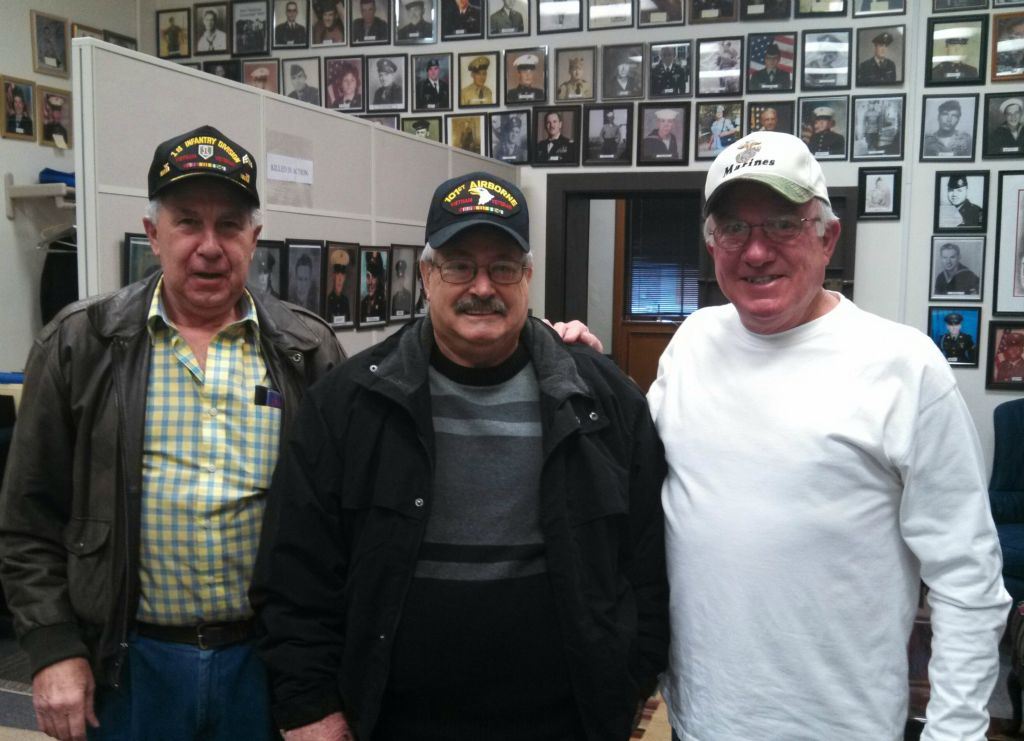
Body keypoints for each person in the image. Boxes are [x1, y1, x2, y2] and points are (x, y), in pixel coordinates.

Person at [250, 170, 669, 741]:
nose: (482, 287)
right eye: (459, 265)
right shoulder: (348, 406)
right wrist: (310, 709)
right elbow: (295, 575)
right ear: (426, 275)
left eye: (501, 267)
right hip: (392, 722)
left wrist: (626, 685)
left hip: (565, 723)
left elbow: (647, 566)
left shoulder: (605, 402)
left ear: (527, 276)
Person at [628, 130, 1005, 739]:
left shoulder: (904, 366)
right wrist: (573, 367)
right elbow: (634, 491)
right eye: (733, 229)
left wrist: (954, 732)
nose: (755, 252)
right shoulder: (692, 344)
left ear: (828, 236)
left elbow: (968, 580)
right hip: (699, 722)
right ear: (711, 243)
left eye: (782, 224)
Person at [0, 124, 344, 741]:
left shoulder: (306, 349)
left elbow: (341, 523)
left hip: (263, 664)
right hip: (128, 666)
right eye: (188, 222)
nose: (209, 246)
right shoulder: (82, 343)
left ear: (255, 238)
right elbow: (28, 517)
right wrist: (52, 646)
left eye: (229, 225)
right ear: (154, 234)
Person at [359, 250, 387, 321]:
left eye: (374, 277)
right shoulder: (362, 303)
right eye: (368, 276)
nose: (370, 282)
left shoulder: (384, 304)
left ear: (378, 279)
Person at [325, 254, 351, 323]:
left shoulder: (346, 301)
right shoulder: (328, 300)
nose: (340, 279)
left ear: (345, 278)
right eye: (337, 274)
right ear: (333, 276)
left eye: (342, 275)